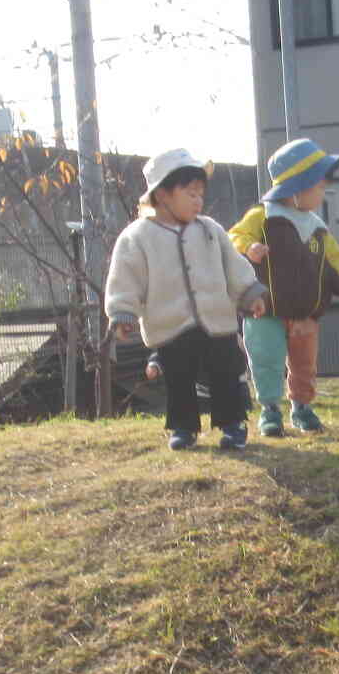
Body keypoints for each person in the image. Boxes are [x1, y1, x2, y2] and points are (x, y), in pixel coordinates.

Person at [104, 148, 267, 450]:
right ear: (163, 195)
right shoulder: (137, 236)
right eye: (190, 193)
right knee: (179, 378)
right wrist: (123, 312)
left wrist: (249, 293)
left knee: (226, 372)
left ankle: (232, 424)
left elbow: (233, 265)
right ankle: (183, 426)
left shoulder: (210, 229)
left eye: (200, 194)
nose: (198, 200)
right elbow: (125, 277)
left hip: (217, 319)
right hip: (169, 323)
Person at [227, 137, 339, 435]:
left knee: (304, 363)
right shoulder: (263, 216)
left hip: (306, 312)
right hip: (265, 310)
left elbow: (332, 262)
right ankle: (270, 410)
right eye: (319, 186)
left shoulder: (316, 225)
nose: (323, 192)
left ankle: (302, 408)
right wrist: (248, 247)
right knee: (266, 359)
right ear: (296, 189)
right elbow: (233, 237)